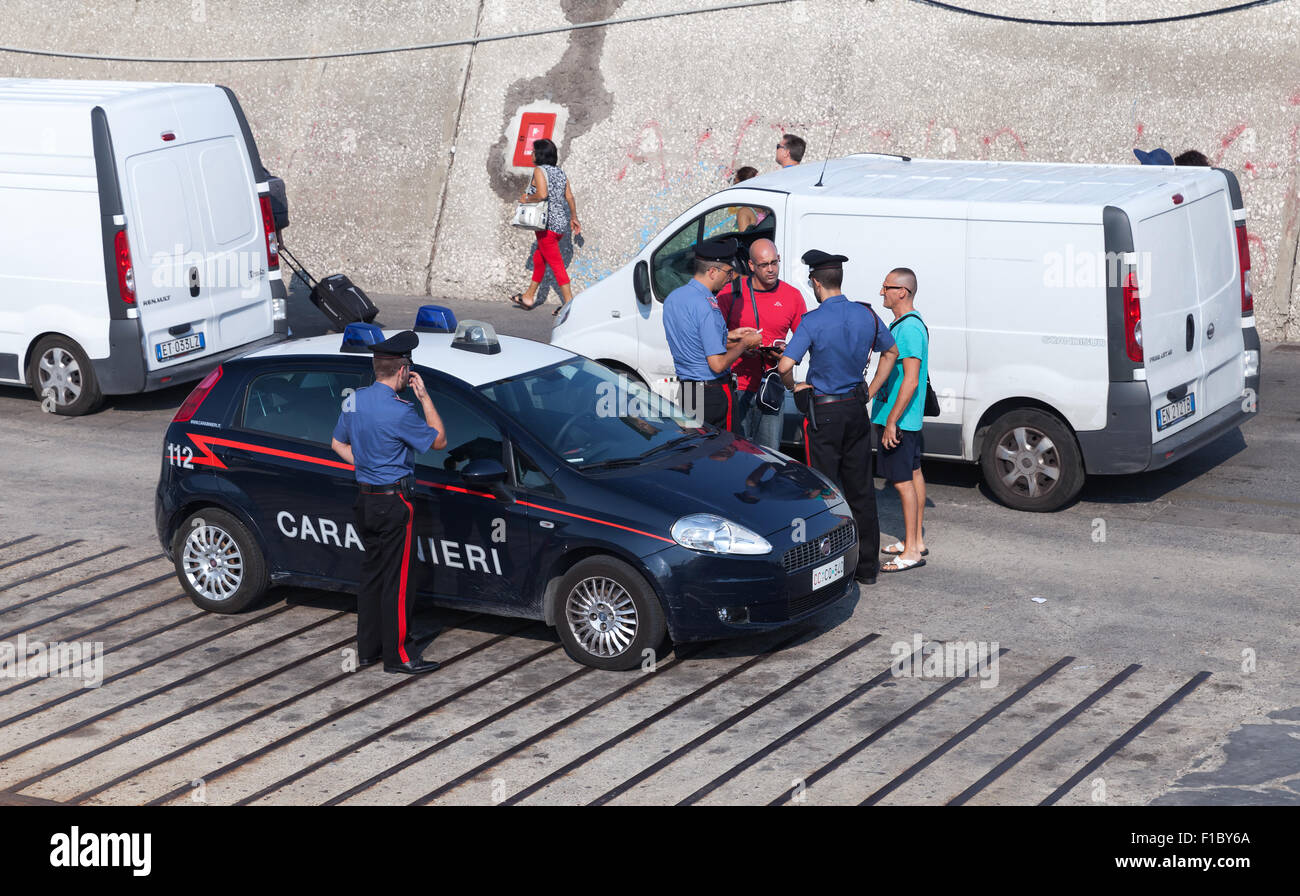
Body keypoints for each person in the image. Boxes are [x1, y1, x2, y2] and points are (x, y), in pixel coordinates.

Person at [777, 250, 898, 585]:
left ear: (817, 284)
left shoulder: (812, 321)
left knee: (824, 493)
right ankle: (867, 567)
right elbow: (891, 353)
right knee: (861, 489)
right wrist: (871, 390)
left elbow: (785, 366)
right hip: (856, 408)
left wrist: (795, 386)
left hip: (824, 413)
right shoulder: (867, 315)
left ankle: (828, 566)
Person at [331, 331, 448, 674]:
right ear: (402, 371)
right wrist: (424, 397)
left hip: (364, 499)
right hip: (395, 501)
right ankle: (400, 656)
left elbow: (337, 444)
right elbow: (439, 440)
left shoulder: (353, 401)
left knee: (372, 577)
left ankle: (367, 650)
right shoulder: (401, 411)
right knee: (398, 582)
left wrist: (367, 465)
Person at [662, 237, 761, 428]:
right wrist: (744, 343)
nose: (730, 278)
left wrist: (730, 335)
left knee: (696, 450)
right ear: (712, 271)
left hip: (688, 392)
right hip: (713, 393)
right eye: (728, 272)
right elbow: (717, 364)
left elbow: (694, 339)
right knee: (727, 452)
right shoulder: (707, 306)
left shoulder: (674, 298)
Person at [716, 238, 804, 448]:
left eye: (775, 262)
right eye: (764, 265)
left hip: (771, 387)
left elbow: (803, 340)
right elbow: (712, 340)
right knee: (736, 454)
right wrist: (742, 346)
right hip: (738, 387)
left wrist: (786, 353)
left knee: (769, 457)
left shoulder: (792, 296)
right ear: (751, 265)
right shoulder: (730, 293)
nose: (771, 269)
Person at [871, 268, 929, 573]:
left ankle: (910, 553)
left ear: (902, 292)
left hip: (901, 421)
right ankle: (915, 541)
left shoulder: (908, 329)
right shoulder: (905, 325)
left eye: (886, 287)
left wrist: (892, 420)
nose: (882, 292)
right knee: (914, 473)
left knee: (902, 482)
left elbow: (911, 381)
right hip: (906, 420)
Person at [508, 138, 582, 316]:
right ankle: (528, 296)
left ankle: (569, 305)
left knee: (556, 265)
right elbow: (570, 197)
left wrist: (526, 198)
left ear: (539, 154)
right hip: (559, 225)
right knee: (539, 257)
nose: (531, 154)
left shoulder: (539, 171)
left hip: (546, 225)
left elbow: (542, 194)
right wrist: (574, 217)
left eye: (533, 151)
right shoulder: (560, 173)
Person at [730, 166, 767, 231]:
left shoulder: (744, 212)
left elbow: (745, 239)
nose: (733, 185)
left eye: (735, 182)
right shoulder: (764, 208)